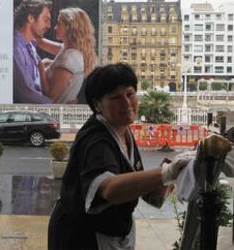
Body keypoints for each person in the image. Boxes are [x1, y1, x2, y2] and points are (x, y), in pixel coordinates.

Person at [48, 63, 189, 250]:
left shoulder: (123, 131)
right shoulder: (97, 140)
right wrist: (167, 173)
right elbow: (109, 189)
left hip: (115, 231)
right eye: (115, 97)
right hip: (83, 236)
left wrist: (165, 181)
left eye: (130, 94)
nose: (126, 103)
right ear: (97, 104)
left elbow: (138, 188)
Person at [37, 7, 97, 104]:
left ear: (70, 28)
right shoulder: (67, 49)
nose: (55, 27)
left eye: (59, 24)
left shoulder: (70, 57)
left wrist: (41, 68)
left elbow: (50, 97)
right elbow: (40, 42)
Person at [13, 0, 52, 104]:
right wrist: (58, 106)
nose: (49, 25)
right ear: (31, 18)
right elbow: (27, 94)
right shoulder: (16, 49)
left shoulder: (30, 46)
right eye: (46, 20)